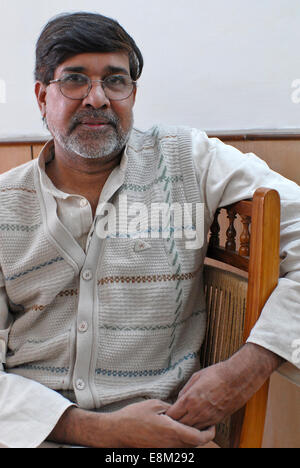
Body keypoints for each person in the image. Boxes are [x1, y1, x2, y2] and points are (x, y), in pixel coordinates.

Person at [0, 11, 299, 449]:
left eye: (115, 81)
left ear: (133, 94)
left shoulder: (188, 160)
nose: (97, 98)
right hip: (30, 434)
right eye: (75, 80)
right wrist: (92, 429)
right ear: (42, 97)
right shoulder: (4, 205)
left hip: (166, 442)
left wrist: (249, 366)